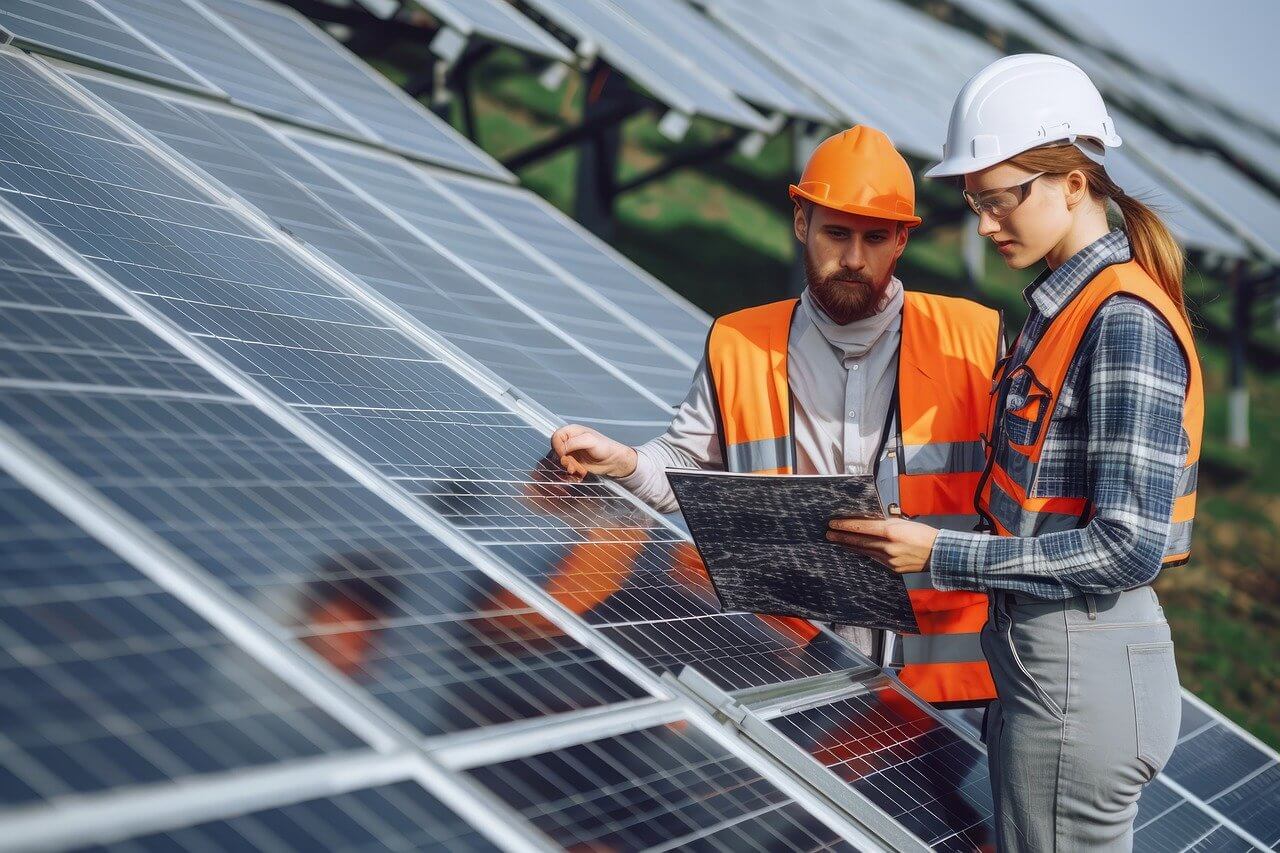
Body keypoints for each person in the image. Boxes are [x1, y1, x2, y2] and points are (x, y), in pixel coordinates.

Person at [828, 55, 1202, 850]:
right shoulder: (1061, 306)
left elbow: (1128, 545)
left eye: (1002, 200)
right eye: (976, 204)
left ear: (1073, 181)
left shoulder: (1123, 320)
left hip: (1082, 663)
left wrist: (941, 553)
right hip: (1049, 658)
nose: (988, 224)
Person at [548, 125, 1004, 709]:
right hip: (781, 670)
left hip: (942, 692)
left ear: (901, 243)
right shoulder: (738, 342)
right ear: (800, 224)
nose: (854, 259)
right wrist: (628, 463)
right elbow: (687, 467)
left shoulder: (975, 341)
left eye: (875, 238)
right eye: (836, 234)